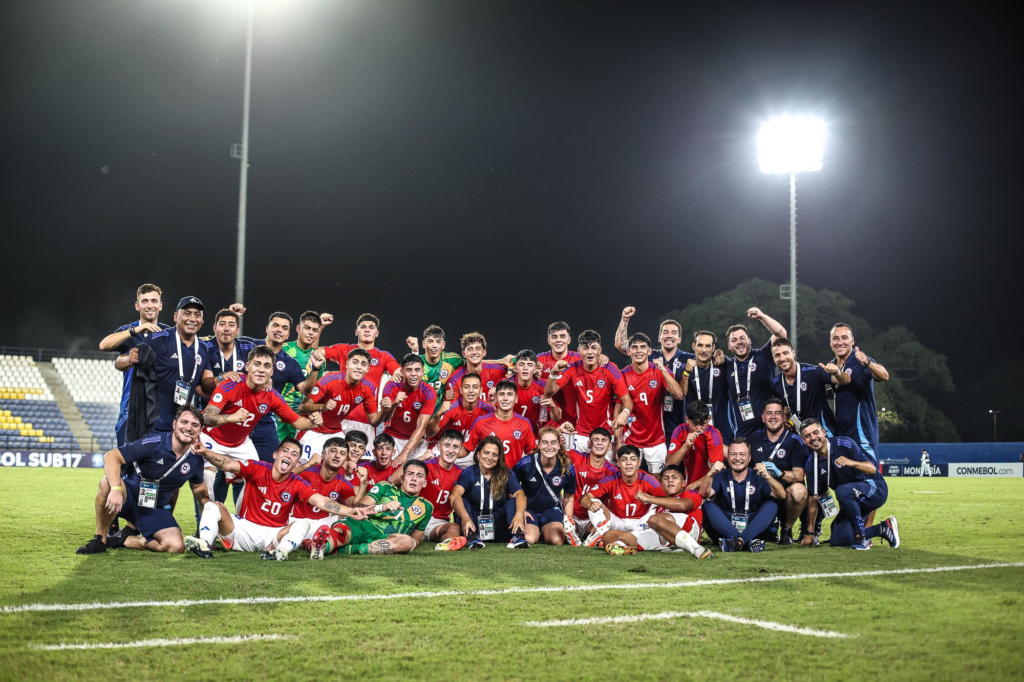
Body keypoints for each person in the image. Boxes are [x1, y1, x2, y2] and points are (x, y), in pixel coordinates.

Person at [186, 438, 365, 560]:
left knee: (302, 524)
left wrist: (351, 511)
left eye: (294, 454)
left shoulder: (298, 483)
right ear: (275, 455)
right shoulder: (257, 468)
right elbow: (228, 464)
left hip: (273, 537)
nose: (288, 455)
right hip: (243, 529)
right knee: (212, 506)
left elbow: (320, 501)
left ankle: (280, 552)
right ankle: (205, 544)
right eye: (285, 451)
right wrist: (205, 452)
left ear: (297, 462)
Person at [76, 406, 210, 554]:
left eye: (194, 425)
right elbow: (111, 456)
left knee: (176, 546)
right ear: (174, 424)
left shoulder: (196, 459)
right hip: (127, 498)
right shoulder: (154, 442)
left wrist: (213, 508)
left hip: (153, 509)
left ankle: (122, 540)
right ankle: (99, 540)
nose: (188, 427)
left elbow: (198, 488)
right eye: (184, 422)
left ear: (200, 430)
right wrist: (116, 489)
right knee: (107, 483)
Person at [200, 346, 323, 499]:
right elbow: (206, 418)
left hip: (240, 443)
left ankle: (243, 515)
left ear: (272, 372)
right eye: (257, 364)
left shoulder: (271, 395)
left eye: (267, 366)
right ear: (247, 366)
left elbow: (298, 422)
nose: (261, 370)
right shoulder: (230, 385)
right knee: (208, 478)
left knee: (255, 480)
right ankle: (209, 513)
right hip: (211, 438)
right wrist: (231, 418)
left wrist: (314, 422)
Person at [117, 296, 215, 434]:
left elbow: (202, 386)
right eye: (187, 313)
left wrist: (222, 381)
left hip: (181, 428)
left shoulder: (203, 348)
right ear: (176, 317)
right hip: (152, 426)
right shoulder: (159, 339)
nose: (192, 318)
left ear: (202, 320)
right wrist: (128, 359)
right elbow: (119, 363)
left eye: (197, 315)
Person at [799, 420, 900, 550]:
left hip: (875, 490)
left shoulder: (844, 444)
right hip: (851, 501)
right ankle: (883, 528)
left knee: (842, 491)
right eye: (807, 436)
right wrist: (810, 532)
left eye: (815, 432)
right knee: (838, 539)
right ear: (804, 441)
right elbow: (813, 499)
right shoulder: (811, 464)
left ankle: (860, 538)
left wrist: (851, 462)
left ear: (824, 432)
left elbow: (872, 469)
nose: (813, 438)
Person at [312, 460, 435, 556]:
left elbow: (415, 540)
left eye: (419, 476)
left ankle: (340, 550)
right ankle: (323, 547)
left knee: (407, 542)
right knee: (341, 532)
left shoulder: (426, 507)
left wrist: (406, 544)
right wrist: (382, 507)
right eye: (410, 474)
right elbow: (358, 509)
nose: (414, 478)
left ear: (424, 483)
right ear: (402, 478)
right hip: (361, 525)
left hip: (383, 538)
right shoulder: (385, 487)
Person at [100, 283, 171, 446]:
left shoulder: (168, 333)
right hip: (131, 406)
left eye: (154, 301)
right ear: (137, 306)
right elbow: (104, 346)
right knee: (126, 457)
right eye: (145, 301)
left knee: (158, 459)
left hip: (161, 407)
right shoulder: (128, 331)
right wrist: (136, 330)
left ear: (160, 305)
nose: (150, 305)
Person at [578, 445, 682, 552]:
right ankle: (602, 532)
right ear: (619, 463)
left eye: (633, 459)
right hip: (617, 522)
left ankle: (615, 540)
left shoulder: (648, 480)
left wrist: (649, 498)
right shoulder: (611, 479)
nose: (628, 463)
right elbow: (584, 498)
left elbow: (670, 499)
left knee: (661, 505)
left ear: (639, 463)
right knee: (593, 501)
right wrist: (590, 504)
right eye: (624, 459)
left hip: (642, 523)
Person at [544, 330, 633, 452]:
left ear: (600, 350)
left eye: (594, 348)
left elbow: (627, 399)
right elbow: (549, 393)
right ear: (579, 351)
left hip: (605, 432)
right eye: (585, 348)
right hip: (581, 433)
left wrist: (625, 413)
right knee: (576, 464)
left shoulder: (610, 369)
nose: (590, 352)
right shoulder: (573, 368)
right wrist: (554, 372)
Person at [321, 313, 401, 441]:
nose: (367, 330)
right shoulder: (344, 349)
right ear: (356, 332)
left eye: (371, 327)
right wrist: (320, 327)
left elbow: (399, 372)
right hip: (340, 418)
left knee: (364, 454)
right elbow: (316, 352)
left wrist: (397, 375)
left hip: (367, 420)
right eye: (363, 327)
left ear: (377, 333)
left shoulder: (383, 356)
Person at [615, 309, 693, 438]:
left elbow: (707, 358)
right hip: (653, 421)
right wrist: (625, 320)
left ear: (679, 339)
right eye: (665, 332)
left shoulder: (689, 358)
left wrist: (719, 354)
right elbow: (620, 344)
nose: (669, 336)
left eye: (674, 333)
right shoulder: (648, 355)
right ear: (659, 337)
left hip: (680, 419)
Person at [699, 438, 786, 552]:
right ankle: (745, 542)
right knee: (707, 506)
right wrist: (710, 474)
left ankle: (736, 542)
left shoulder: (759, 475)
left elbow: (781, 495)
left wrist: (768, 477)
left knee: (771, 505)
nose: (737, 458)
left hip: (752, 525)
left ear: (749, 458)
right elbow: (704, 494)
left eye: (742, 454)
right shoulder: (721, 475)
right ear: (728, 457)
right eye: (733, 454)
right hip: (726, 526)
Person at [289, 437, 367, 559]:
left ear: (345, 460)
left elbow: (354, 506)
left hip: (322, 525)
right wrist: (307, 464)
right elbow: (284, 476)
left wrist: (364, 483)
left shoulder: (344, 484)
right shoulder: (307, 473)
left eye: (342, 453)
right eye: (333, 451)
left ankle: (317, 543)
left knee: (351, 518)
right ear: (324, 454)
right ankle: (310, 543)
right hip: (297, 521)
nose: (337, 456)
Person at [298, 348, 382, 461]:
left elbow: (374, 421)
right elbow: (302, 407)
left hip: (336, 432)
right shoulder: (331, 380)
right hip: (313, 430)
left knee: (346, 465)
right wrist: (323, 407)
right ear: (347, 364)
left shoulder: (367, 388)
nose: (358, 367)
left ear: (368, 368)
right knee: (305, 466)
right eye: (355, 362)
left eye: (363, 364)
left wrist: (387, 409)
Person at [746, 398, 809, 545]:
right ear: (763, 417)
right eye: (769, 413)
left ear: (784, 417)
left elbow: (799, 476)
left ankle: (787, 530)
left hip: (786, 495)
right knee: (764, 536)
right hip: (763, 494)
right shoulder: (754, 438)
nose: (773, 417)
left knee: (799, 491)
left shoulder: (795, 440)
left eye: (777, 413)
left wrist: (778, 472)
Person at [450, 436, 530, 549]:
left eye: (494, 455)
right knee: (461, 500)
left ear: (499, 457)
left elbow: (521, 495)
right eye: (486, 453)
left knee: (513, 501)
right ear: (478, 454)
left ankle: (518, 536)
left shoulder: (505, 473)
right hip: (474, 524)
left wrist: (519, 514)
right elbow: (454, 496)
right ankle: (472, 537)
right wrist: (465, 518)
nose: (490, 458)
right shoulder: (468, 473)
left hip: (499, 525)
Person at [621, 332, 684, 475]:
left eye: (642, 347)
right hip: (630, 437)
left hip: (656, 438)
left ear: (649, 351)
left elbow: (679, 395)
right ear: (629, 351)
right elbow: (618, 407)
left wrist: (663, 369)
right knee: (629, 477)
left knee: (658, 479)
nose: (639, 351)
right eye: (635, 347)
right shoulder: (623, 374)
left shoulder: (659, 370)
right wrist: (618, 440)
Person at [826, 323, 889, 462]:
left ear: (852, 340)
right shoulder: (831, 366)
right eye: (835, 338)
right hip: (840, 436)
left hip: (863, 435)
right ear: (830, 342)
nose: (840, 342)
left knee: (868, 473)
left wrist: (868, 363)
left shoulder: (860, 360)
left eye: (844, 338)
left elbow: (884, 376)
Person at [724, 307, 787, 439]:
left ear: (749, 341)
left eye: (742, 338)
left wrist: (762, 316)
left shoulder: (763, 355)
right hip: (742, 433)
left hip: (769, 429)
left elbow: (781, 334)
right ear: (729, 346)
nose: (739, 342)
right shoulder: (727, 365)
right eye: (734, 340)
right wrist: (718, 353)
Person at [512, 427, 577, 546]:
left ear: (559, 445)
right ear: (539, 445)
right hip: (529, 510)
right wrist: (519, 512)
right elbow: (511, 489)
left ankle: (544, 530)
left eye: (553, 443)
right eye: (545, 442)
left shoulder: (567, 468)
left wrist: (568, 520)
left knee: (557, 540)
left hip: (551, 510)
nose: (549, 447)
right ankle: (537, 531)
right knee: (529, 538)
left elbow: (569, 497)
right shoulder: (525, 463)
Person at [278, 310, 333, 441]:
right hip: (279, 412)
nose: (310, 333)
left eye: (314, 330)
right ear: (298, 328)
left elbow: (315, 391)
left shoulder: (319, 360)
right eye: (307, 328)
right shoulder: (283, 349)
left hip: (304, 416)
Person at [638, 465, 713, 559]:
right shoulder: (659, 506)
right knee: (627, 538)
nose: (670, 480)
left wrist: (649, 499)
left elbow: (683, 505)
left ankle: (696, 548)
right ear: (661, 486)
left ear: (683, 483)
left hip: (690, 528)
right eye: (666, 478)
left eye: (674, 477)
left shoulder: (691, 493)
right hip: (668, 534)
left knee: (655, 519)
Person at [769, 337, 842, 433]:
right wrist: (786, 419)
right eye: (777, 355)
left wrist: (837, 372)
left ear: (793, 353)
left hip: (824, 432)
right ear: (773, 358)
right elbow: (785, 408)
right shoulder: (776, 384)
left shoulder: (813, 372)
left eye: (785, 353)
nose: (782, 358)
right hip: (800, 435)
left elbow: (841, 380)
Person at [461, 380, 537, 469]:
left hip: (512, 475)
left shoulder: (524, 424)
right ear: (496, 398)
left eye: (510, 394)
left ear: (516, 398)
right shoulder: (481, 422)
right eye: (501, 394)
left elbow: (532, 453)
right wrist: (448, 453)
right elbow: (467, 449)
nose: (505, 398)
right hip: (487, 475)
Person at [380, 354, 437, 464]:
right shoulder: (391, 386)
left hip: (416, 440)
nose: (413, 374)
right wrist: (394, 404)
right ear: (402, 372)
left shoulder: (428, 392)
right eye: (409, 370)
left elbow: (422, 427)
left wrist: (404, 453)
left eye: (417, 370)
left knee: (420, 469)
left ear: (422, 372)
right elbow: (385, 418)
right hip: (392, 436)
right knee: (387, 469)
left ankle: (419, 459)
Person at [567, 428, 619, 538]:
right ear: (589, 444)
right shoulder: (576, 457)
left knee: (601, 528)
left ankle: (595, 533)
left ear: (610, 446)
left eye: (604, 440)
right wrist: (558, 432)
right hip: (573, 515)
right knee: (560, 531)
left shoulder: (613, 473)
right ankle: (572, 530)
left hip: (594, 519)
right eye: (596, 439)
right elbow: (552, 452)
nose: (600, 443)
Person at [421, 429, 467, 548]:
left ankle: (446, 545)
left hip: (438, 524)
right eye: (447, 445)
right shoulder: (425, 466)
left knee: (455, 527)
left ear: (461, 449)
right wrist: (420, 459)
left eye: (455, 447)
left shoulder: (462, 475)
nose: (451, 450)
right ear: (438, 446)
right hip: (415, 518)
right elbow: (394, 478)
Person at [682, 330, 731, 441]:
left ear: (713, 348)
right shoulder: (686, 368)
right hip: (695, 432)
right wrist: (686, 373)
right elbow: (680, 394)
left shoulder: (723, 366)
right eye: (700, 345)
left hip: (722, 432)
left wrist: (720, 352)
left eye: (708, 346)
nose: (704, 350)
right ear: (693, 346)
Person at [406, 325, 464, 414]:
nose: (434, 346)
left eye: (438, 342)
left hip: (441, 415)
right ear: (424, 344)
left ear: (443, 345)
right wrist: (414, 352)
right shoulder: (417, 363)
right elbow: (405, 379)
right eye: (430, 341)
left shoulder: (452, 360)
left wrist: (457, 390)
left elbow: (472, 366)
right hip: (418, 413)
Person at [666, 401, 724, 489]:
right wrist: (685, 446)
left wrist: (693, 486)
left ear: (709, 419)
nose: (699, 429)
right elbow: (669, 465)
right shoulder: (679, 431)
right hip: (688, 483)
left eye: (702, 424)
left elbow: (716, 471)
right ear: (687, 419)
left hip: (708, 486)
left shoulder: (714, 435)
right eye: (695, 424)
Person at [537, 321, 582, 430]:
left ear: (569, 339)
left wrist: (601, 358)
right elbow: (519, 362)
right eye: (554, 337)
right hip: (551, 418)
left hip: (576, 418)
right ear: (549, 340)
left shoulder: (579, 359)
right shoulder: (541, 359)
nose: (558, 340)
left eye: (562, 336)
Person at [426, 372, 494, 442]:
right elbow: (429, 433)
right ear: (461, 390)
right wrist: (438, 415)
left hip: (470, 446)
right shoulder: (451, 407)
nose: (471, 391)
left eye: (475, 387)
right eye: (466, 387)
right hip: (440, 444)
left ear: (481, 390)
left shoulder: (488, 410)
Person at [444, 332, 510, 403]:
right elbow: (451, 408)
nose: (474, 352)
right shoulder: (455, 379)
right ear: (463, 353)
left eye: (478, 348)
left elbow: (514, 378)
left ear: (484, 352)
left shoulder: (499, 372)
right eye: (470, 349)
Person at [511, 349, 560, 435]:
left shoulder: (544, 386)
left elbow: (558, 418)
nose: (525, 368)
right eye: (521, 364)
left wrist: (552, 406)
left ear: (535, 369)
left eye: (530, 365)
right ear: (515, 368)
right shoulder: (506, 385)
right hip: (511, 433)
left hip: (536, 435)